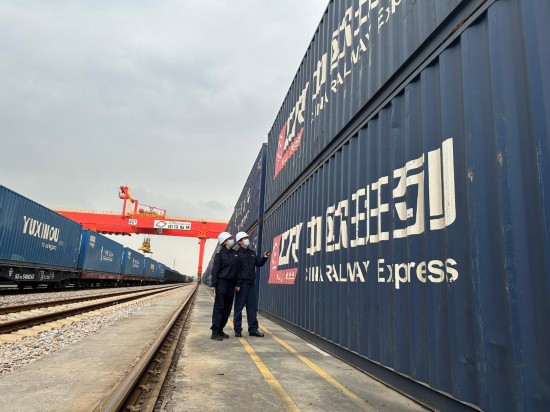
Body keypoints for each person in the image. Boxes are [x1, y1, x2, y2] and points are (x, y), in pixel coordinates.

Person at [233, 231, 270, 337]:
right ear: (239, 242)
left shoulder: (252, 253)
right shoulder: (236, 254)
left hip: (251, 284)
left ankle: (253, 330)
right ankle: (238, 330)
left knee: (252, 308)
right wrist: (236, 284)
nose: (247, 240)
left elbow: (258, 263)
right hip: (241, 285)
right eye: (244, 238)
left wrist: (264, 257)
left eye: (247, 238)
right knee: (238, 308)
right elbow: (235, 270)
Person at [210, 232, 239, 341]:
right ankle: (215, 332)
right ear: (224, 241)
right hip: (222, 283)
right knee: (219, 307)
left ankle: (221, 329)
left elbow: (237, 269)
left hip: (231, 284)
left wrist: (237, 283)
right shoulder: (220, 253)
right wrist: (213, 284)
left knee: (227, 308)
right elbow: (215, 270)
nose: (232, 240)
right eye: (230, 238)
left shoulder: (234, 253)